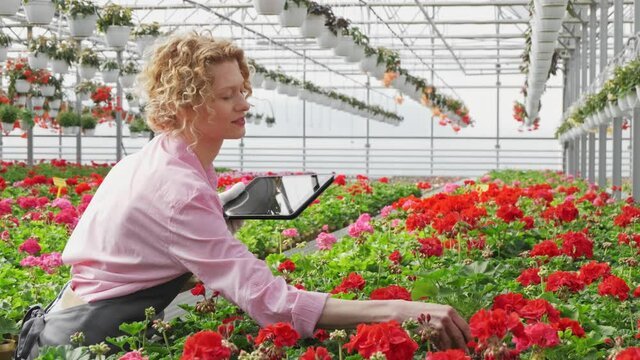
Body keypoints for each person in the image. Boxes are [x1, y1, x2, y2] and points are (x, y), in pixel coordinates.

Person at [14, 32, 470, 359]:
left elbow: (158, 235)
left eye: (242, 91)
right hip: (84, 343)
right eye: (227, 96)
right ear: (187, 104)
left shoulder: (155, 159)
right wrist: (398, 309)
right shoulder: (178, 189)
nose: (244, 104)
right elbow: (269, 302)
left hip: (61, 323)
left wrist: (220, 211)